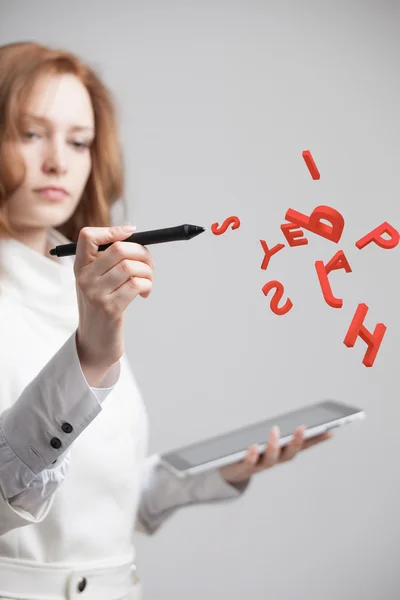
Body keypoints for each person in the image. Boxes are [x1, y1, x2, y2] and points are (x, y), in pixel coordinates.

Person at [0, 41, 333, 600]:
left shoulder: (80, 288)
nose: (59, 160)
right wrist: (90, 357)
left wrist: (223, 470)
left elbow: (99, 498)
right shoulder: (89, 314)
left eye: (79, 141)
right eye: (32, 134)